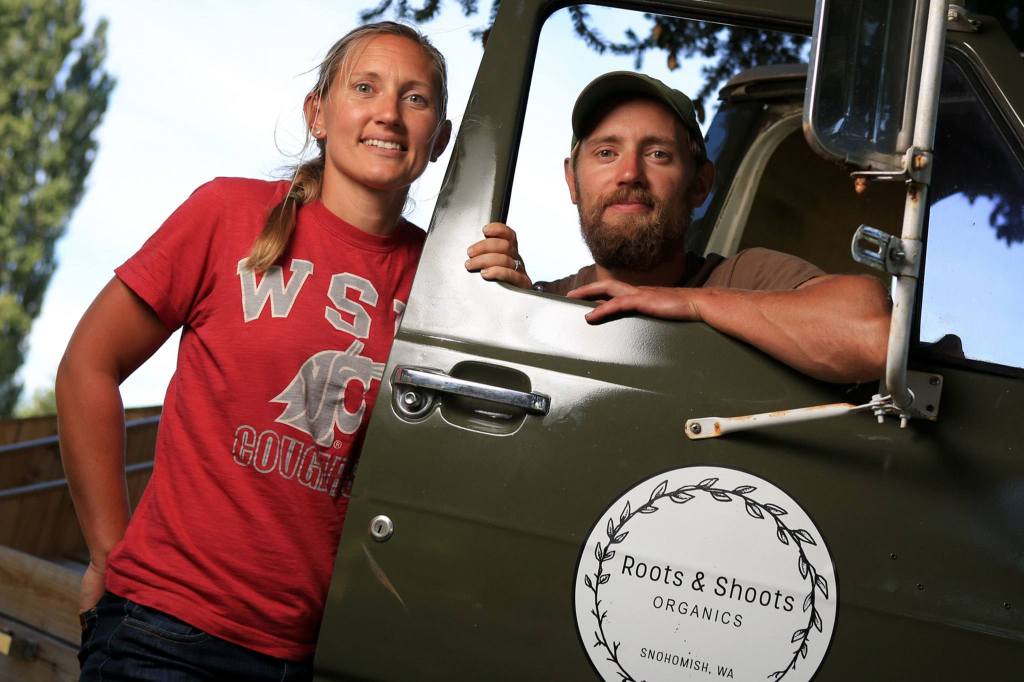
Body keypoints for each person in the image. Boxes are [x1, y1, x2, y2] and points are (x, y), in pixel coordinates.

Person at [56, 22, 451, 681]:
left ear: (439, 138)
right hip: (163, 634)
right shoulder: (226, 213)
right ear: (318, 114)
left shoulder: (444, 283)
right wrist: (105, 552)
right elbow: (86, 366)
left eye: (415, 98)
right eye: (365, 87)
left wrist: (505, 287)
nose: (388, 111)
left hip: (321, 657)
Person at [465, 71, 890, 383]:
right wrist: (512, 313)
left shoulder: (746, 278)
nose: (629, 174)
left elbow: (874, 335)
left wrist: (693, 303)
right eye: (607, 152)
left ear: (700, 185)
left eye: (658, 155)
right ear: (573, 181)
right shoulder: (546, 301)